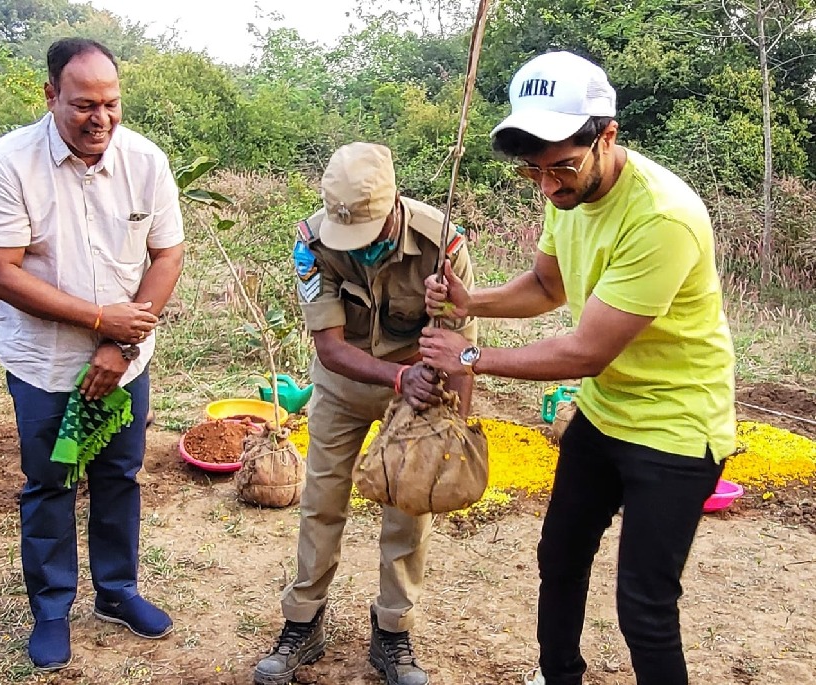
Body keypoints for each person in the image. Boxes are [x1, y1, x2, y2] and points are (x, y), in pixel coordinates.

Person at [418, 52, 735, 685]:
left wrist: (471, 355)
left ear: (607, 136)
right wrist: (470, 300)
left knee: (645, 606)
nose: (547, 186)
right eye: (532, 171)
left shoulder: (661, 217)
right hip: (606, 412)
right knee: (559, 558)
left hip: (676, 425)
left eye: (561, 166)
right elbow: (546, 284)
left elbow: (587, 350)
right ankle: (558, 676)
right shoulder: (563, 191)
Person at [0, 38, 185, 671]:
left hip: (123, 365)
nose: (101, 119)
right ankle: (52, 608)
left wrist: (120, 341)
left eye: (111, 104)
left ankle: (117, 592)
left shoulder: (145, 161)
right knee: (52, 482)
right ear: (50, 96)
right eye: (84, 104)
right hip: (43, 367)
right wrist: (97, 319)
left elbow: (167, 254)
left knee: (119, 475)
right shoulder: (10, 163)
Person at [253, 142, 478, 685]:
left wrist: (455, 426)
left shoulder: (441, 242)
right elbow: (330, 347)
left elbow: (463, 345)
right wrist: (398, 376)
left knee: (410, 505)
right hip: (344, 382)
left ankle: (393, 630)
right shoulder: (312, 244)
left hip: (420, 392)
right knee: (323, 497)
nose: (361, 245)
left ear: (395, 202)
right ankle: (303, 622)